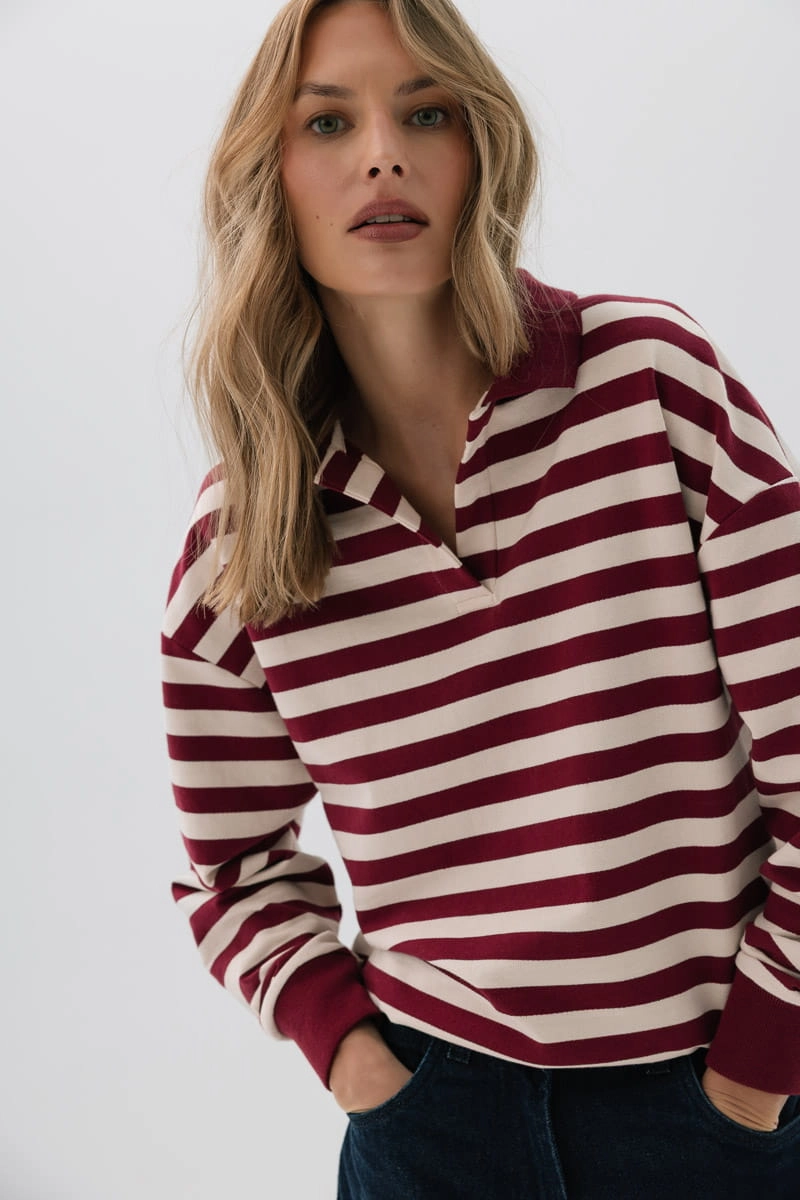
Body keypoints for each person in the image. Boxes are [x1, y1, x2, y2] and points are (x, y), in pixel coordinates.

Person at [161, 0, 800, 1195]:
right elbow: (232, 872)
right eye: (327, 122)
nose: (381, 155)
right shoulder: (240, 537)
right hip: (433, 1122)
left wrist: (755, 1070)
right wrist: (361, 1068)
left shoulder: (651, 389)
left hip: (708, 1107)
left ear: (480, 148)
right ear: (267, 177)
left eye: (425, 113)